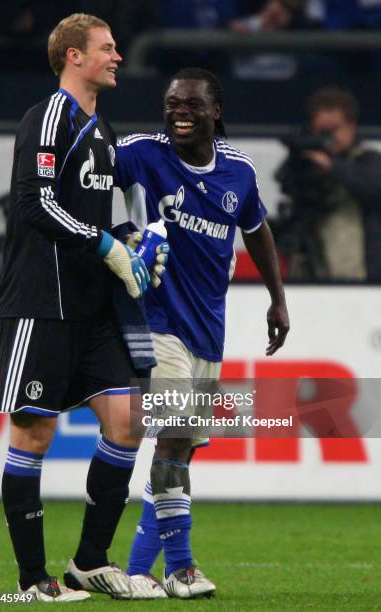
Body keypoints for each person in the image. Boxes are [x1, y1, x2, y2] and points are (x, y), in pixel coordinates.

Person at [0, 13, 166, 602]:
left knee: (127, 423)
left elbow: (92, 219)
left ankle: (89, 563)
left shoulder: (102, 128)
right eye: (108, 48)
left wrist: (131, 239)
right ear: (74, 56)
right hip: (40, 303)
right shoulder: (47, 118)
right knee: (33, 434)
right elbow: (34, 203)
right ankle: (31, 580)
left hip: (94, 309)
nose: (118, 56)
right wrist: (106, 244)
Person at [114, 67, 290, 598]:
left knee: (182, 448)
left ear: (216, 111)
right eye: (172, 104)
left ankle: (160, 570)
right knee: (171, 433)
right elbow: (86, 179)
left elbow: (257, 231)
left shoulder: (238, 171)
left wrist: (277, 298)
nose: (179, 113)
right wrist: (118, 234)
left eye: (191, 105)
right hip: (155, 318)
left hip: (207, 327)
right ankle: (165, 568)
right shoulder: (141, 152)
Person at [276, 87, 381, 281]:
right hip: (315, 270)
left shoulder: (368, 160)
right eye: (322, 131)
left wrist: (332, 166)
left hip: (363, 276)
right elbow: (285, 183)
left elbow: (373, 186)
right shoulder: (307, 164)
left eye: (334, 130)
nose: (328, 138)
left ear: (351, 126)